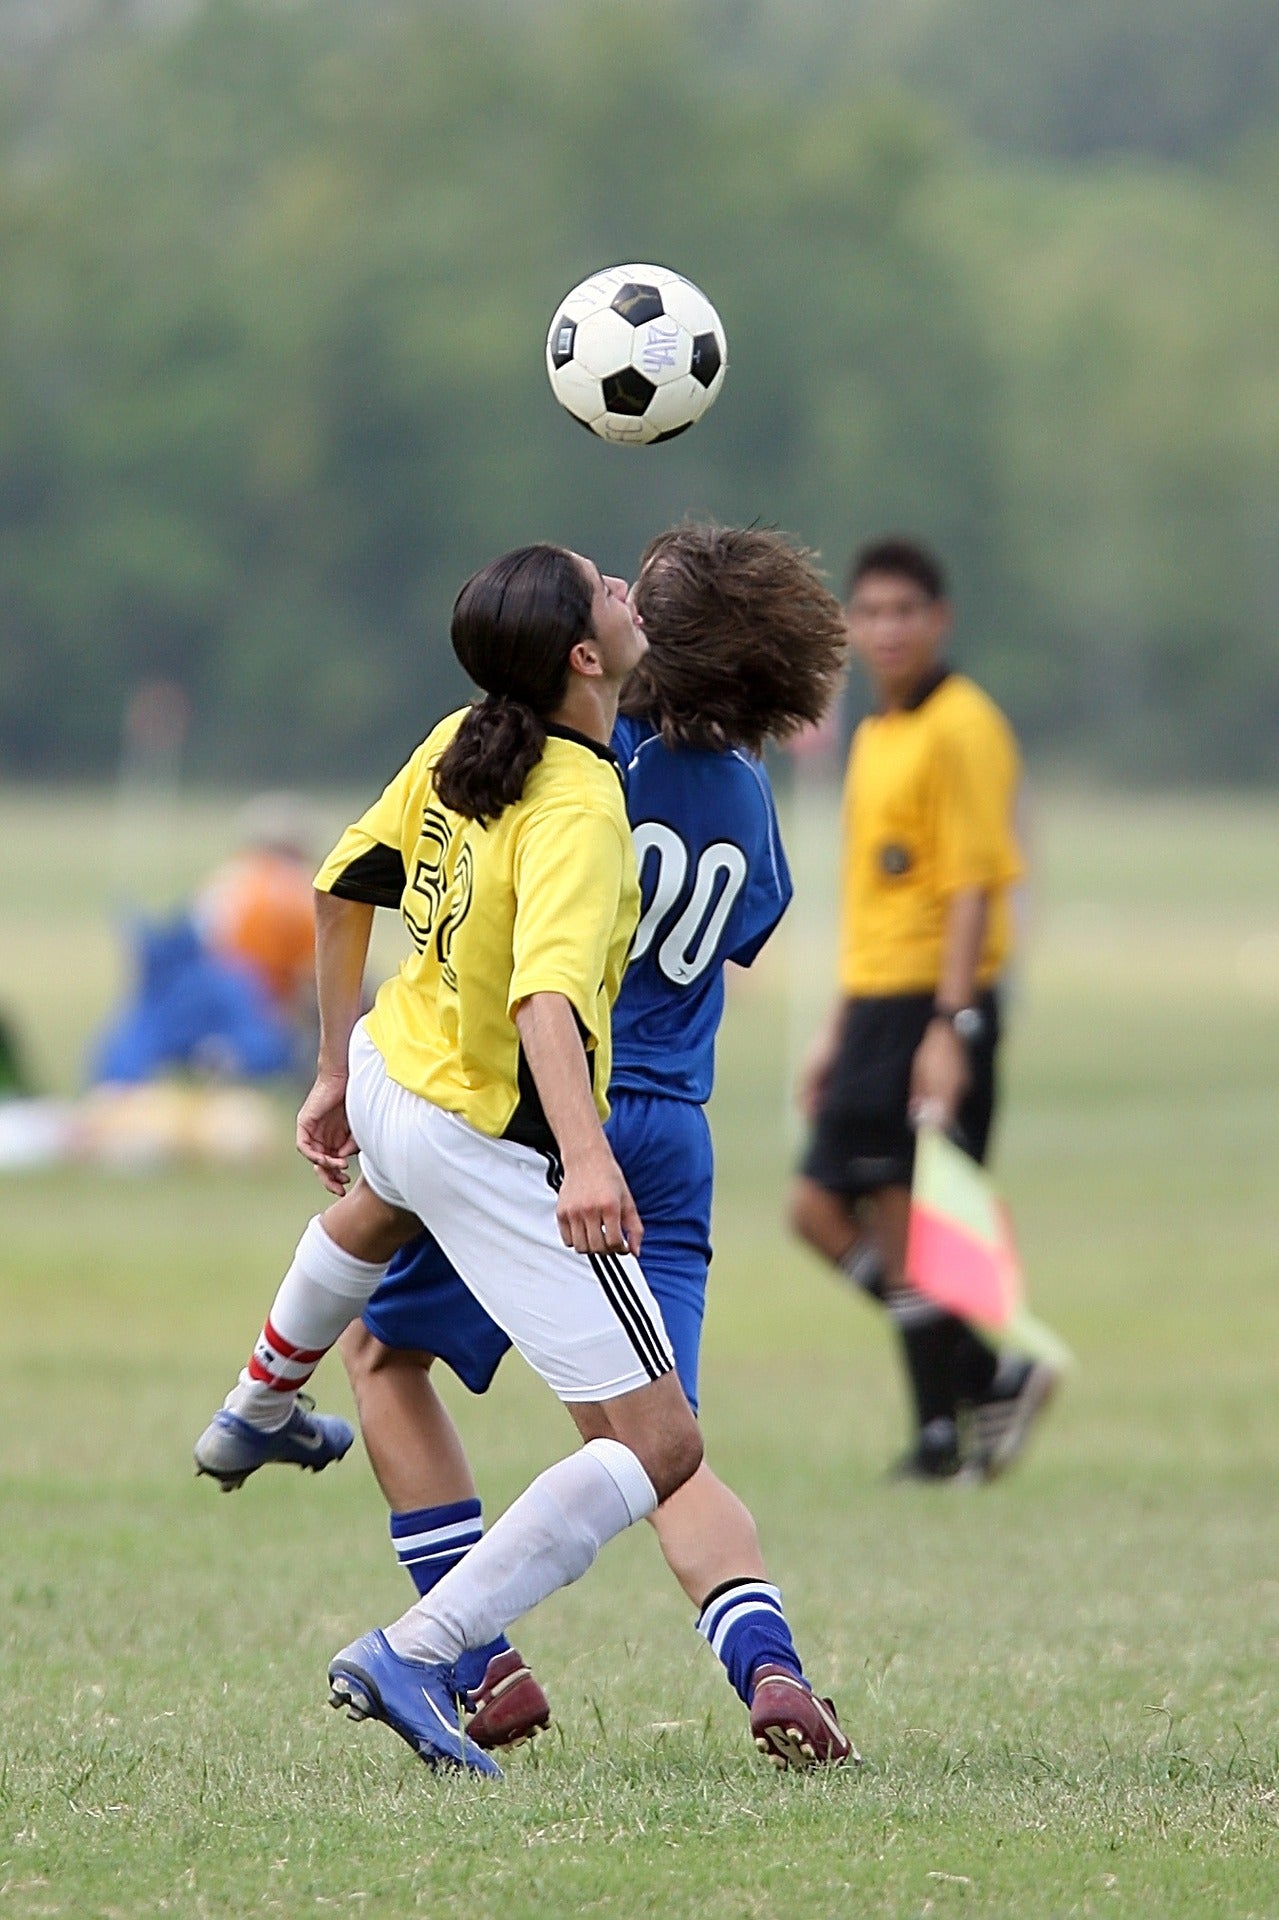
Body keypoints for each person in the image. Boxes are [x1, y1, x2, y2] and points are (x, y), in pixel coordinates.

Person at [190, 543, 842, 1778]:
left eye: (635, 591)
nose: (620, 597)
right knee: (655, 1441)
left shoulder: (580, 771)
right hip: (672, 1132)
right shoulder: (743, 791)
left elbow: (525, 973)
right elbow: (745, 930)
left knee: (387, 1359)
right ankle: (769, 1666)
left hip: (545, 1121)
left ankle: (460, 1654)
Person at [789, 535, 1056, 1481]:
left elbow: (974, 884)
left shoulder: (963, 724)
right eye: (870, 612)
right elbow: (873, 900)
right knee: (817, 1208)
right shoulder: (874, 734)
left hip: (928, 1001)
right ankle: (985, 1373)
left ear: (938, 620)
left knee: (903, 1211)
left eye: (905, 611)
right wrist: (833, 1029)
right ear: (851, 628)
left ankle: (940, 1435)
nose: (887, 629)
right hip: (872, 1002)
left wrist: (952, 1026)